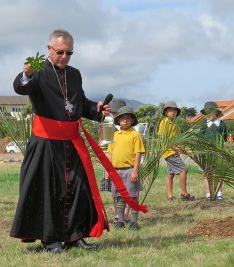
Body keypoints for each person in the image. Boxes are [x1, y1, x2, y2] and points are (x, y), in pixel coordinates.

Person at [10, 29, 148, 253]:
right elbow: (21, 86)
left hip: (71, 143)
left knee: (78, 188)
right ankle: (50, 240)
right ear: (49, 49)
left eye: (69, 53)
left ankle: (75, 236)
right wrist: (26, 73)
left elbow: (80, 103)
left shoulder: (75, 74)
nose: (64, 56)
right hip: (46, 142)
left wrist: (96, 109)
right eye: (60, 52)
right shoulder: (38, 71)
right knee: (50, 191)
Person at [107, 106, 145, 230]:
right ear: (118, 121)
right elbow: (110, 153)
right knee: (119, 196)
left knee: (133, 195)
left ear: (132, 120)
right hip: (116, 171)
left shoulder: (135, 135)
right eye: (122, 119)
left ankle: (134, 221)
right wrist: (109, 170)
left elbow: (138, 153)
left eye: (128, 118)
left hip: (129, 170)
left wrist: (135, 171)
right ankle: (121, 220)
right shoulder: (115, 135)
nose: (125, 121)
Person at [99, 98, 131, 224]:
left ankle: (126, 214)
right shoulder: (107, 124)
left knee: (127, 189)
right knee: (115, 190)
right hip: (110, 160)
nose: (114, 115)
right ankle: (119, 214)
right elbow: (102, 143)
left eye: (117, 113)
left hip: (124, 163)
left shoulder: (128, 130)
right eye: (113, 112)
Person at [158, 101, 195, 201]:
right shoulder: (164, 122)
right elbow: (163, 138)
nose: (173, 112)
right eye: (170, 110)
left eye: (174, 111)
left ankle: (170, 196)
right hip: (168, 151)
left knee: (171, 173)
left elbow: (176, 140)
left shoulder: (174, 125)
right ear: (166, 112)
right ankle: (184, 192)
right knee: (184, 169)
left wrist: (181, 149)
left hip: (173, 151)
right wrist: (175, 148)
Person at [199, 101, 228, 201]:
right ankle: (208, 193)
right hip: (206, 152)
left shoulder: (222, 124)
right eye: (206, 112)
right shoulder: (203, 124)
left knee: (218, 173)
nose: (208, 114)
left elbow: (224, 138)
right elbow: (200, 137)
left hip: (218, 152)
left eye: (210, 112)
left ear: (216, 113)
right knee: (207, 173)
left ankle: (219, 193)